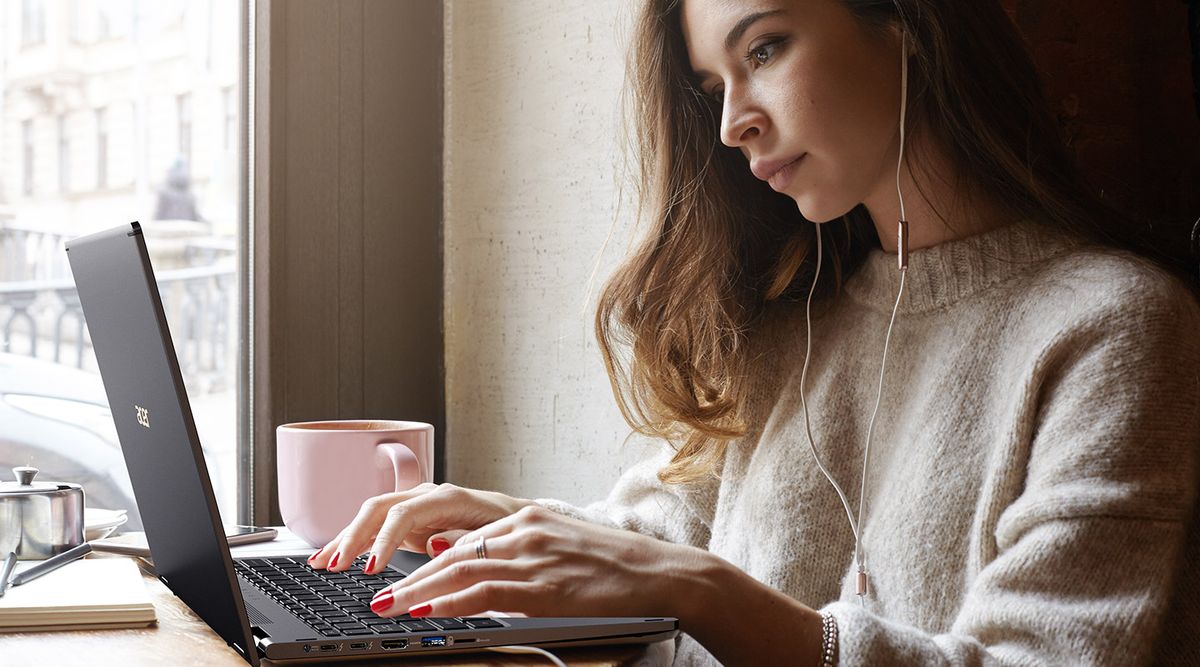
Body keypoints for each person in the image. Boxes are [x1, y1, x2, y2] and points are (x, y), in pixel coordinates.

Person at [308, 1, 1200, 664]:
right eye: (713, 87)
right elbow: (660, 538)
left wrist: (693, 590)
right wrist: (509, 530)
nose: (734, 121)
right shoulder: (786, 318)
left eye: (763, 49)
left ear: (905, 21)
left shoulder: (1113, 327)